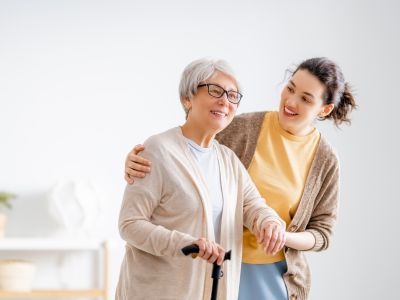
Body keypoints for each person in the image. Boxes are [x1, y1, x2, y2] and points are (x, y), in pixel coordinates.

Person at [124, 57, 358, 300]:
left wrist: (277, 231)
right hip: (214, 265)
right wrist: (138, 159)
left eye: (306, 98)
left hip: (267, 272)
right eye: (290, 88)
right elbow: (186, 148)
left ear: (324, 109)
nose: (291, 101)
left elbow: (259, 206)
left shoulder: (325, 159)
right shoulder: (241, 127)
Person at [116, 58, 286, 300]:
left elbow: (252, 205)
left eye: (232, 95)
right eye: (215, 91)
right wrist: (187, 244)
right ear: (187, 98)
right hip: (157, 291)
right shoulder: (158, 150)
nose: (225, 101)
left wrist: (270, 223)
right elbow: (130, 224)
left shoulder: (228, 160)